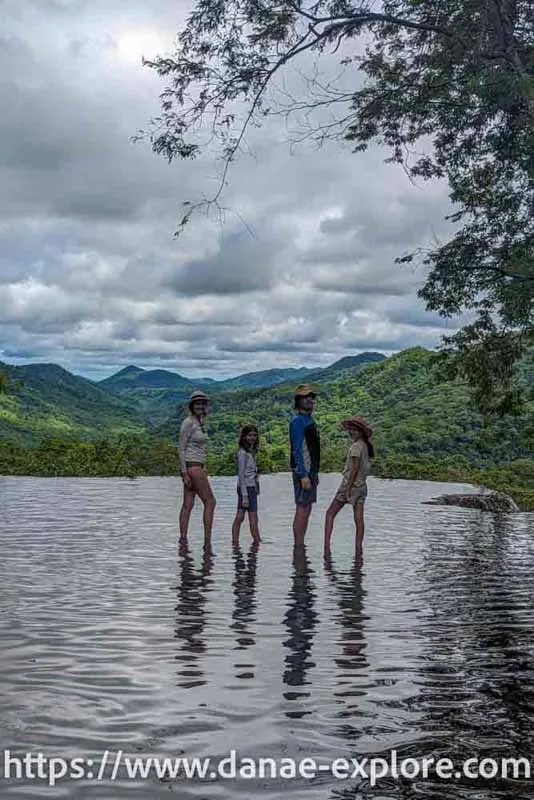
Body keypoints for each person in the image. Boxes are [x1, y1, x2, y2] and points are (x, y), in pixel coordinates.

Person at [323, 415, 374, 560]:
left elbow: (354, 469)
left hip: (351, 485)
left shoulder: (356, 447)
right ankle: (358, 548)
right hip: (362, 486)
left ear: (361, 431)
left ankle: (326, 546)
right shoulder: (365, 446)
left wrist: (347, 489)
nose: (352, 432)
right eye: (350, 429)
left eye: (355, 429)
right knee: (358, 519)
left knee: (330, 514)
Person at [178, 390, 216, 548]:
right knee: (210, 502)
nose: (200, 405)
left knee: (188, 505)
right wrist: (184, 472)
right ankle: (207, 541)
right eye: (197, 403)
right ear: (192, 405)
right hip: (192, 466)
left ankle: (183, 540)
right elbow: (181, 447)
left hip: (195, 466)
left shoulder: (199, 422)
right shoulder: (188, 422)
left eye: (203, 403)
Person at [289, 384, 321, 547]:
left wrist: (315, 473)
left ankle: (301, 545)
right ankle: (298, 546)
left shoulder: (309, 420)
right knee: (302, 507)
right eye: (305, 397)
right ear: (298, 400)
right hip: (304, 472)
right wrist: (303, 474)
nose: (309, 399)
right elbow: (297, 449)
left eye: (311, 397)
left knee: (307, 508)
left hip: (310, 472)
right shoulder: (297, 421)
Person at [232, 424, 261, 547]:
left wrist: (257, 487)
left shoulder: (251, 452)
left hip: (251, 488)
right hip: (246, 489)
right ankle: (255, 542)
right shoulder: (243, 453)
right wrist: (244, 496)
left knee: (244, 516)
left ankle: (239, 542)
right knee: (247, 517)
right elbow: (241, 475)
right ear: (244, 436)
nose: (252, 437)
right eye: (249, 435)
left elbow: (252, 473)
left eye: (254, 435)